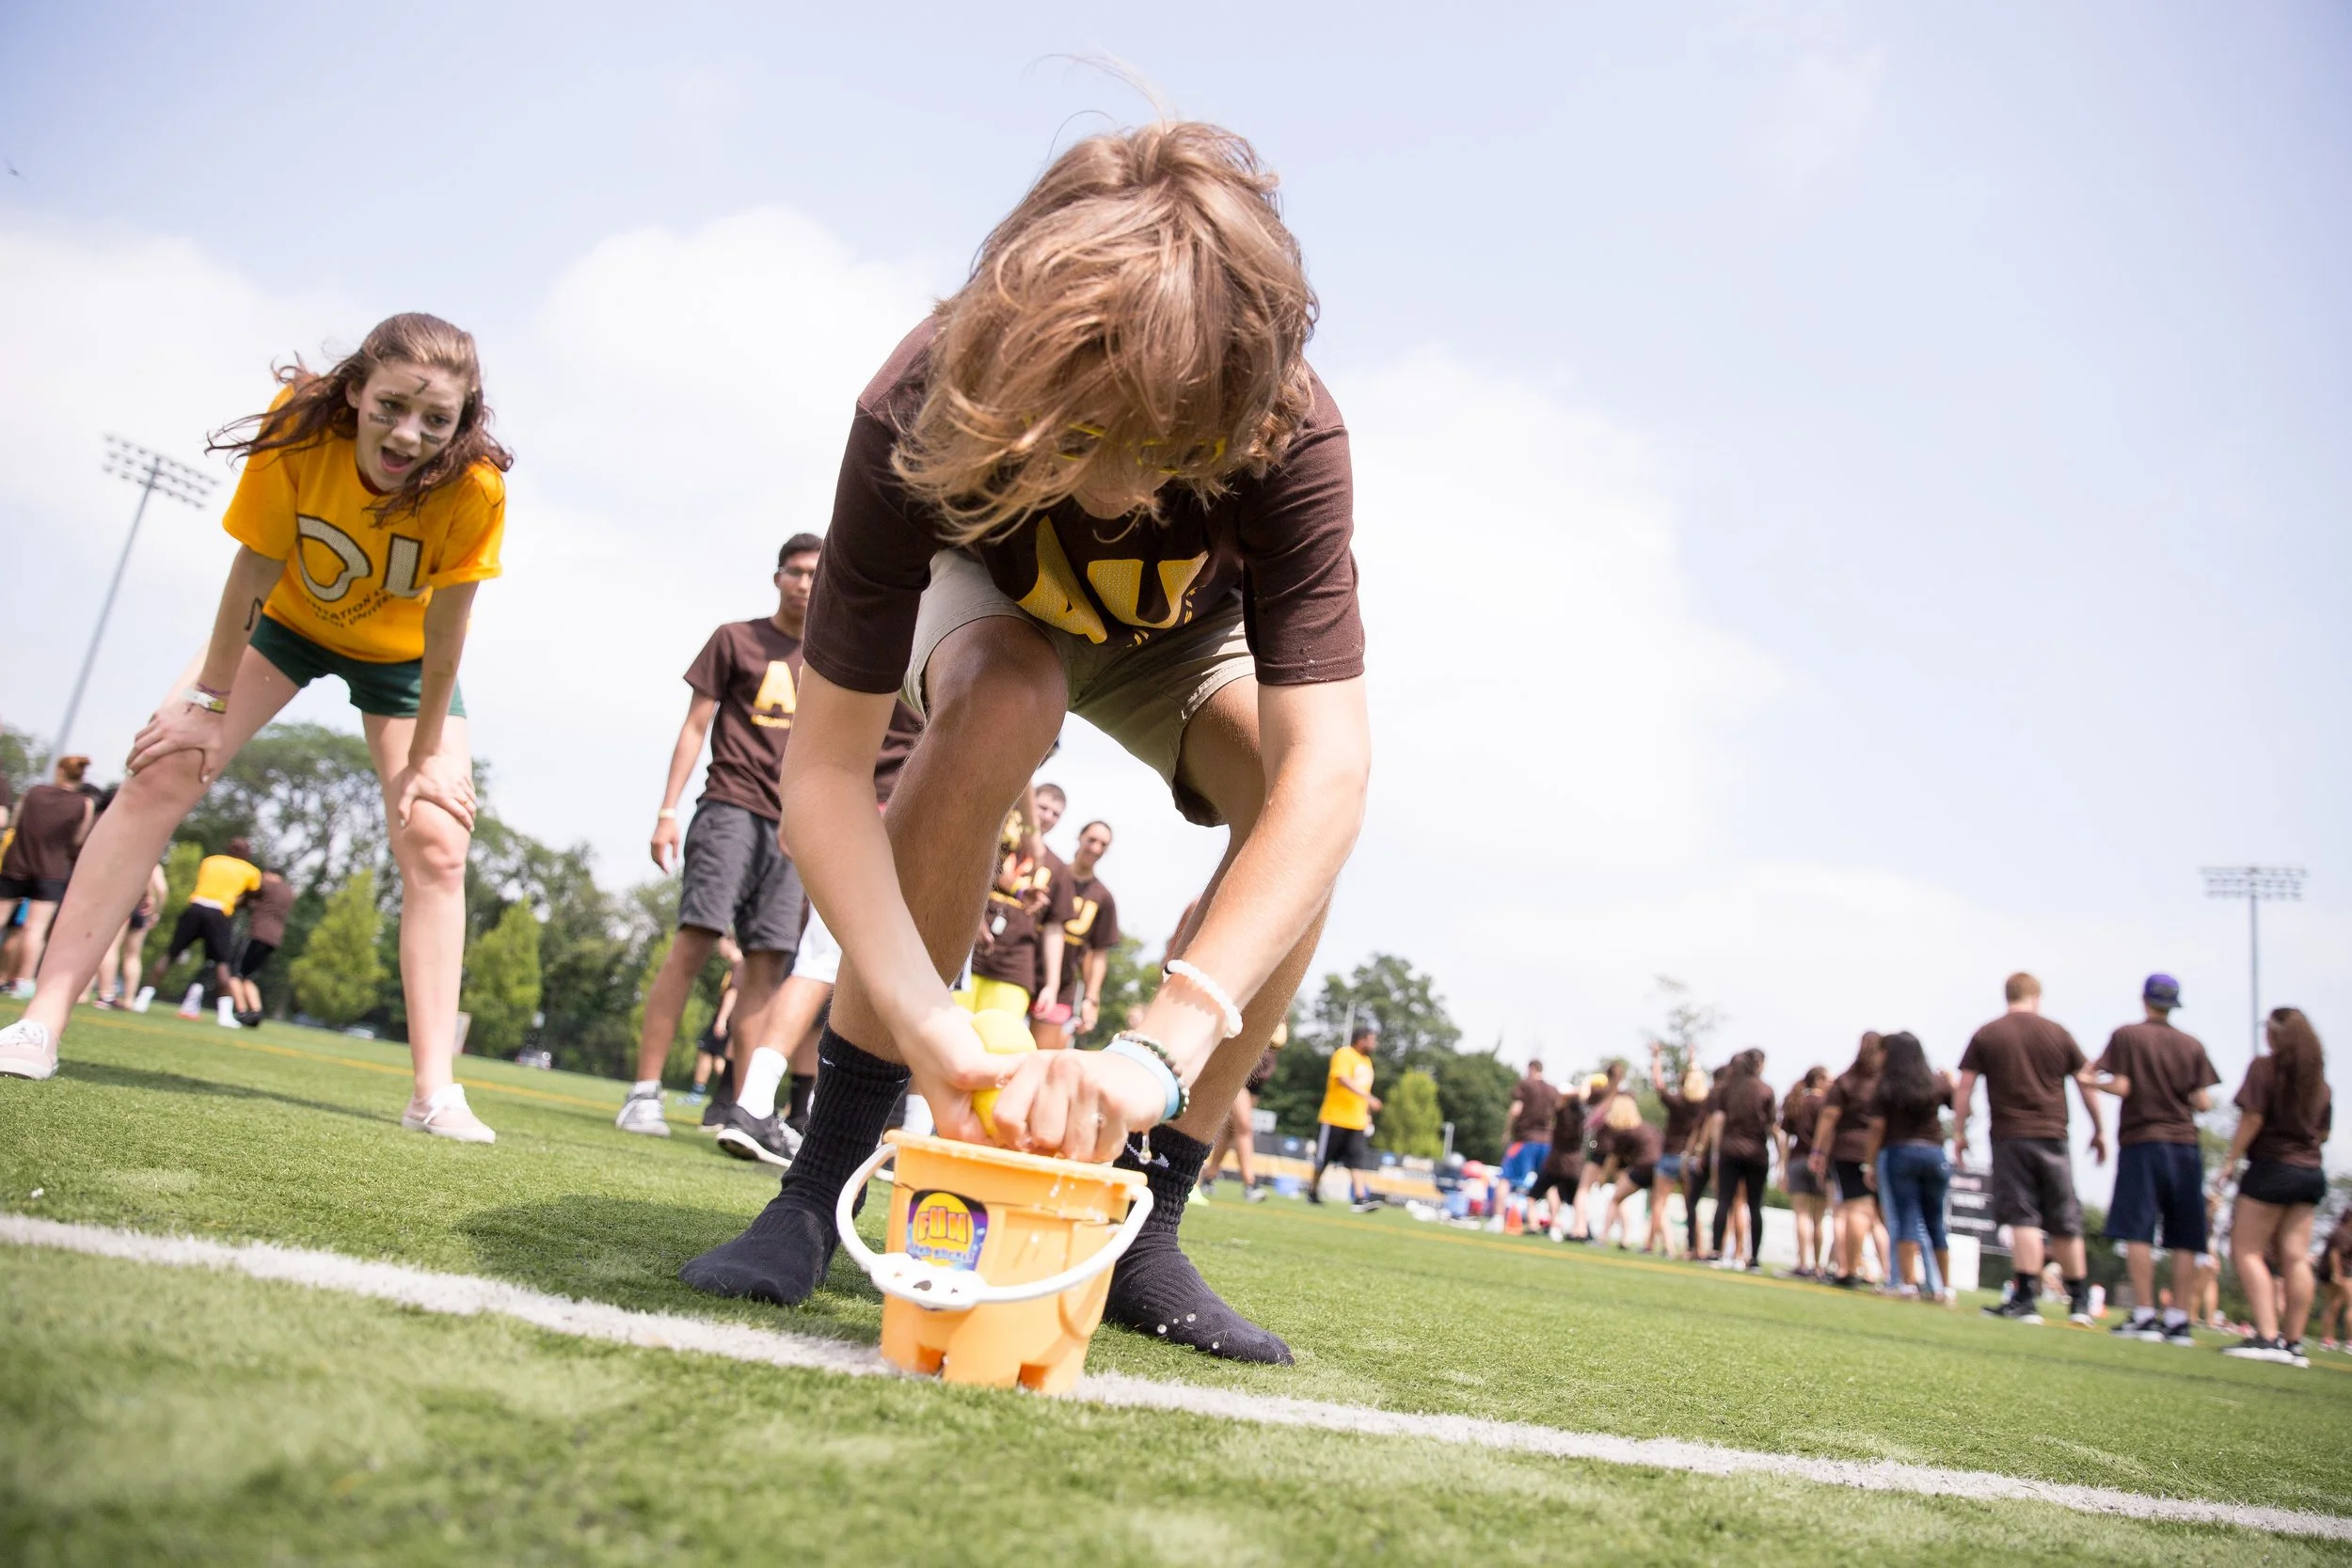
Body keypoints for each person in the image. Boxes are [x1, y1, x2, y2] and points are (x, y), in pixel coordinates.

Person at [675, 122, 1370, 1366]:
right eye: (1082, 429)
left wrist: (1164, 1041)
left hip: (1178, 640)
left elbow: (1333, 770)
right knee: (1002, 693)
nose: (1111, 485)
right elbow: (824, 772)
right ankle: (820, 1179)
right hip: (992, 607)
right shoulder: (918, 394)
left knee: (1283, 778)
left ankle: (1149, 1218)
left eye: (1162, 445)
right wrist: (935, 1023)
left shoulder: (1293, 427)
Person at [0, 313, 508, 1145]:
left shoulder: (476, 487)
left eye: (435, 420)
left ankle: (432, 1091)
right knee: (163, 768)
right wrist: (205, 697)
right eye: (390, 406)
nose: (407, 434)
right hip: (282, 620)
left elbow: (450, 632)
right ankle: (40, 1021)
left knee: (438, 837)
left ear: (463, 419)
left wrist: (424, 760)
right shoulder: (299, 427)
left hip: (403, 657)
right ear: (355, 389)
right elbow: (256, 567)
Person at [619, 537, 826, 1167]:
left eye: (816, 574)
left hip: (795, 825)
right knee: (696, 941)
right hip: (731, 806)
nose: (804, 583)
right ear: (776, 577)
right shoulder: (734, 639)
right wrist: (666, 809)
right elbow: (694, 725)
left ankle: (745, 1111)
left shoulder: (834, 657)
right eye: (794, 571)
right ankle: (644, 1092)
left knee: (767, 967)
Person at [1955, 973, 2106, 1325]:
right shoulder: (2058, 1032)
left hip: (2010, 1134)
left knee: (2022, 1215)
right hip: (2054, 1133)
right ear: (2036, 996)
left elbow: (1965, 1087)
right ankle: (2080, 1301)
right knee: (2064, 1215)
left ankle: (2025, 1299)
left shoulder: (1988, 1033)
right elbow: (2087, 1083)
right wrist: (2099, 1129)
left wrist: (1960, 1132)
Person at [2091, 974, 2218, 1345]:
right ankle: (2179, 1319)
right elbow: (2203, 1102)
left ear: (2144, 999)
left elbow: (2121, 1085)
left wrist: (2090, 1082)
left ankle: (2145, 1314)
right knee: (2184, 1235)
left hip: (2144, 1141)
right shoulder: (2192, 1044)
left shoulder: (2128, 1035)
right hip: (2185, 1146)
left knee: (2138, 1229)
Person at [2218, 1007, 2332, 1367]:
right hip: (2310, 1172)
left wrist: (2231, 1160)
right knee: (2295, 1256)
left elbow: (2252, 1117)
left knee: (2246, 1250)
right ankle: (2293, 1341)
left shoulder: (2263, 1068)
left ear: (2276, 1035)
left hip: (2272, 1168)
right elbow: (2324, 1133)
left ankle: (2267, 1336)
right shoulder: (2321, 1083)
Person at [1859, 1032, 1954, 1301]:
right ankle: (1943, 1288)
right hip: (1935, 1153)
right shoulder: (1935, 1083)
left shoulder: (1886, 1085)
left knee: (1904, 1218)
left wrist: (1869, 1164)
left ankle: (1906, 1284)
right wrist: (1952, 1081)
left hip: (1899, 1152)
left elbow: (1877, 1127)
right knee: (1936, 1222)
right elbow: (1960, 1105)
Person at [0, 756, 97, 993]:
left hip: (15, 864)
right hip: (52, 872)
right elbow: (78, 839)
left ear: (60, 770)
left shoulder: (33, 792)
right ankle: (22, 983)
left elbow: (13, 822)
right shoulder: (84, 804)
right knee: (35, 929)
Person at [1811, 1032, 1885, 1286]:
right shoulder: (1885, 1082)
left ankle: (1848, 1269)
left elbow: (1829, 1117)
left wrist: (1818, 1151)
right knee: (1879, 1218)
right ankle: (1893, 1274)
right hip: (1883, 1153)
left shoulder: (1847, 1081)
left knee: (1853, 1211)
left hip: (1849, 1151)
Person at [165, 838, 261, 1025]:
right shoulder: (250, 870)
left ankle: (141, 1000)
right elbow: (252, 897)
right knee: (222, 964)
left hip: (195, 906)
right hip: (220, 912)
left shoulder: (210, 860)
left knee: (170, 954)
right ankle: (225, 1015)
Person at [1705, 1049, 1778, 1270]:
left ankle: (1716, 1251)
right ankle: (1754, 1258)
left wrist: (1717, 1150)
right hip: (1757, 1152)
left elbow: (1717, 1121)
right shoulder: (1766, 1090)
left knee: (1724, 1201)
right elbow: (1772, 1125)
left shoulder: (1726, 1089)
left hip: (1730, 1150)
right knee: (1755, 1206)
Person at [1202, 1021, 1280, 1202]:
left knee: (1230, 1132)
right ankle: (1250, 1184)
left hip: (1257, 1084)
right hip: (1241, 1074)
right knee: (1245, 1126)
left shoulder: (1284, 1009)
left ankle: (1209, 1177)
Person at [1312, 1019, 1383, 1212]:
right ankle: (1312, 1191)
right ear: (1361, 1039)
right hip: (1334, 1117)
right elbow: (1342, 1079)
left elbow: (1365, 1089)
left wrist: (1367, 1115)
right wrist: (1368, 1098)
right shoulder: (1344, 1054)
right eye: (1371, 1040)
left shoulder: (1367, 1062)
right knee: (1323, 1159)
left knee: (1357, 1159)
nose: (1374, 1044)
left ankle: (1360, 1198)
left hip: (1357, 1121)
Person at [1651, 1053, 1710, 1259]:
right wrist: (1693, 1059)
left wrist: (1656, 1059)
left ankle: (1664, 1246)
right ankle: (1696, 1248)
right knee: (1691, 1207)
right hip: (1691, 1158)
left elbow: (1658, 1085)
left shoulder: (1677, 1101)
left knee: (1659, 1203)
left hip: (1670, 1155)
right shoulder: (1704, 1107)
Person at [93, 861, 169, 1009]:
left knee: (111, 948)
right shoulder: (156, 866)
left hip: (128, 903)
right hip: (143, 911)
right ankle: (129, 999)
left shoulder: (135, 860)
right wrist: (156, 913)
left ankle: (106, 995)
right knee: (133, 955)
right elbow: (162, 890)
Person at [226, 866, 294, 1025]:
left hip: (257, 933)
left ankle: (241, 1011)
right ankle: (256, 1012)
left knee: (235, 973)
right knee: (249, 976)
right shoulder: (289, 892)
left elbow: (248, 893)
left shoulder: (267, 885)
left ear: (270, 875)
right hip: (274, 939)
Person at [1782, 1065, 1832, 1278]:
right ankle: (1818, 1265)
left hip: (1797, 1160)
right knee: (1818, 1219)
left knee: (1801, 1215)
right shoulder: (1827, 1104)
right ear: (1819, 1080)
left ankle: (1802, 1263)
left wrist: (1783, 1168)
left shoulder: (1797, 1102)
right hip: (1821, 1164)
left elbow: (1785, 1138)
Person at [686, 936, 744, 1107]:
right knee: (715, 1056)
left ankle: (734, 1094)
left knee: (712, 1054)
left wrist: (722, 1019)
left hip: (726, 1019)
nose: (719, 947)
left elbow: (733, 993)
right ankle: (733, 1094)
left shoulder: (739, 964)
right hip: (727, 1019)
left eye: (721, 942)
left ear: (731, 941)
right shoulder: (735, 965)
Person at [1536, 1078, 1592, 1241]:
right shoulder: (1580, 1115)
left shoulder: (1562, 1112)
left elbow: (1562, 1100)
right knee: (1575, 1199)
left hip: (1559, 1162)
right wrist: (1582, 1087)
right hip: (1575, 1163)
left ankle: (1557, 1226)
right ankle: (1581, 1230)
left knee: (1542, 1193)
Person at [1502, 1059, 1559, 1198]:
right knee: (1549, 1184)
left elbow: (1515, 1110)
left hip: (1525, 1139)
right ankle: (1555, 1218)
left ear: (1531, 1068)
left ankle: (1498, 1217)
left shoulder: (1526, 1085)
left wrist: (1507, 1131)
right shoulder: (1553, 1090)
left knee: (1505, 1178)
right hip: (1547, 1142)